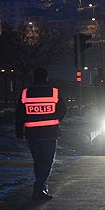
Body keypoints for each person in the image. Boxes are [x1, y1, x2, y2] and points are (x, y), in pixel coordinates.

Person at [16, 67, 67, 200]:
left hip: (32, 133)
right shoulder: (53, 92)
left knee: (38, 162)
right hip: (50, 132)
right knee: (47, 162)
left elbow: (19, 114)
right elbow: (63, 110)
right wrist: (54, 119)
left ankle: (41, 188)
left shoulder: (25, 93)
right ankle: (38, 189)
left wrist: (19, 131)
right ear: (46, 77)